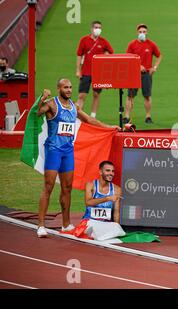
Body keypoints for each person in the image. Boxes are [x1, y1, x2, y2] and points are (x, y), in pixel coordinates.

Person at [36, 78, 121, 238]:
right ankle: (40, 225)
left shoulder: (74, 107)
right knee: (48, 187)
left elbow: (89, 120)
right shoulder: (52, 104)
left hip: (68, 152)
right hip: (54, 150)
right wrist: (42, 98)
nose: (69, 90)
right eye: (65, 87)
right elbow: (36, 112)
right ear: (58, 88)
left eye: (70, 87)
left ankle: (66, 224)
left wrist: (109, 127)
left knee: (67, 188)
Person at [124, 23, 162, 125]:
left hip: (146, 75)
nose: (142, 33)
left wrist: (154, 67)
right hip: (134, 73)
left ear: (147, 32)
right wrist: (138, 65)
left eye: (144, 32)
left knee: (147, 96)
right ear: (137, 32)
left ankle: (148, 116)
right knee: (130, 96)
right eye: (140, 32)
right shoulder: (132, 45)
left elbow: (159, 55)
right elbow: (127, 58)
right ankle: (126, 116)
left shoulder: (151, 44)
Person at [76, 21, 114, 118]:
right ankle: (77, 116)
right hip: (86, 72)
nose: (98, 29)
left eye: (99, 28)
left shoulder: (103, 41)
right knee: (81, 96)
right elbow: (79, 55)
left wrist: (106, 55)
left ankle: (92, 116)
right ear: (91, 28)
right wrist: (78, 70)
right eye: (96, 27)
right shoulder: (84, 40)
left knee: (96, 94)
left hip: (98, 73)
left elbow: (111, 53)